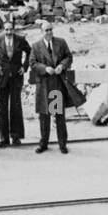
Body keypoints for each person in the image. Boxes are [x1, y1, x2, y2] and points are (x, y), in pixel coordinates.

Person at [30, 20, 84, 154]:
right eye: (46, 30)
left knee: (59, 115)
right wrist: (45, 68)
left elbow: (69, 57)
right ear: (41, 32)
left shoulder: (60, 42)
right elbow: (32, 63)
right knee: (44, 117)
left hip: (56, 85)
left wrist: (62, 66)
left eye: (50, 29)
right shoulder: (36, 46)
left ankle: (62, 144)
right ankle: (43, 143)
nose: (49, 33)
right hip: (43, 86)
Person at [0, 17, 31, 147]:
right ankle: (4, 138)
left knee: (15, 106)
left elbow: (30, 52)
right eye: (6, 29)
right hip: (2, 78)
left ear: (14, 29)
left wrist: (24, 67)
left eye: (10, 29)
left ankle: (15, 136)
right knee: (2, 108)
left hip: (16, 78)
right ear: (3, 30)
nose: (8, 32)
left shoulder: (20, 40)